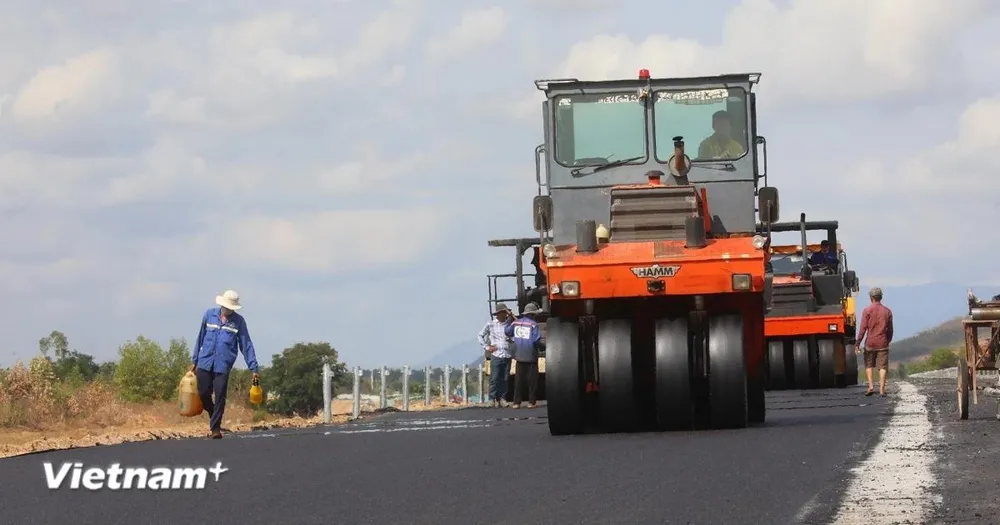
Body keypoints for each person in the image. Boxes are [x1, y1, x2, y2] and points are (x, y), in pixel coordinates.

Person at [190, 289, 260, 438]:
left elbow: (245, 344)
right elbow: (200, 337)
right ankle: (213, 412)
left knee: (220, 394)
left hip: (223, 364)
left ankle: (215, 429)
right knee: (203, 393)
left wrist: (253, 367)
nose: (228, 309)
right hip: (205, 361)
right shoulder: (209, 315)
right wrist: (194, 360)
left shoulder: (238, 322)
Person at [505, 302, 544, 409]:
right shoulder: (533, 325)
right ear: (533, 314)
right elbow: (536, 340)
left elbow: (507, 332)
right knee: (532, 381)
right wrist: (544, 347)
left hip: (519, 355)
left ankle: (516, 403)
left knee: (518, 381)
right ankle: (531, 402)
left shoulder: (515, 323)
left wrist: (509, 320)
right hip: (530, 355)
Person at [856, 287, 893, 397]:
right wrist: (888, 340)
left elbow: (863, 328)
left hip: (870, 343)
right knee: (882, 367)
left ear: (871, 297)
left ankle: (871, 386)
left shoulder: (867, 310)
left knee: (868, 365)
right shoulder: (887, 311)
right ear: (881, 297)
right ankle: (882, 389)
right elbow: (890, 330)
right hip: (883, 343)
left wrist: (858, 343)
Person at [477, 302, 514, 407]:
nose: (504, 315)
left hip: (507, 354)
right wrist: (488, 347)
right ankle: (492, 399)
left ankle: (503, 399)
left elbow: (516, 324)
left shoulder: (509, 324)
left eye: (505, 313)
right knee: (494, 378)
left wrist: (510, 314)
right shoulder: (491, 324)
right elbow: (480, 335)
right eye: (502, 312)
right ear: (498, 314)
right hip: (496, 354)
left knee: (505, 378)